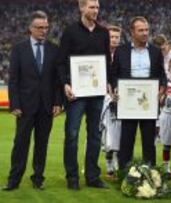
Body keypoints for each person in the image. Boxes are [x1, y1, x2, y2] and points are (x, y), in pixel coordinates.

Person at [3, 10, 61, 191]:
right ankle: (14, 180)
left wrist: (58, 103)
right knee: (20, 144)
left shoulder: (54, 49)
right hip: (25, 107)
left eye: (46, 27)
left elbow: (57, 80)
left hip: (46, 106)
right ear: (30, 28)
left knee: (41, 145)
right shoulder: (19, 49)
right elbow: (13, 80)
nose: (44, 31)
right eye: (40, 28)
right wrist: (15, 104)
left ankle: (38, 179)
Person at [57, 0, 111, 190]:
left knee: (95, 135)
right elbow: (61, 62)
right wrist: (65, 84)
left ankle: (92, 176)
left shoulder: (103, 33)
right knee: (72, 134)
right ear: (81, 8)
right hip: (76, 94)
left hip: (96, 93)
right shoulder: (70, 32)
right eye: (91, 7)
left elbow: (106, 62)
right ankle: (72, 177)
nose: (95, 11)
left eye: (97, 7)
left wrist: (109, 82)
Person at [112, 16, 166, 170]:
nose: (145, 33)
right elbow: (113, 75)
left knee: (149, 141)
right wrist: (115, 89)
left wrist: (162, 89)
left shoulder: (155, 52)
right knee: (126, 140)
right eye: (141, 30)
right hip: (128, 103)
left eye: (146, 30)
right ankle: (124, 174)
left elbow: (162, 75)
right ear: (132, 32)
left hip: (148, 103)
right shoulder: (121, 51)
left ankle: (151, 174)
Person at [100, 25, 122, 180]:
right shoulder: (100, 55)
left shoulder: (123, 55)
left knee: (120, 133)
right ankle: (108, 165)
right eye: (111, 37)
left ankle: (117, 163)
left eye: (116, 37)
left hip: (121, 99)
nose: (114, 40)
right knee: (106, 132)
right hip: (103, 99)